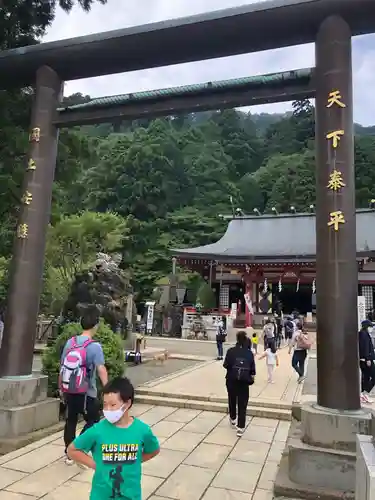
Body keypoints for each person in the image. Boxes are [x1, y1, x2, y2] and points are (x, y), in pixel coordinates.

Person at [67, 377, 160, 500]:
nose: (108, 409)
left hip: (131, 495)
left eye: (113, 405)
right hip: (101, 495)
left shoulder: (142, 430)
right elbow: (72, 450)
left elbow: (154, 450)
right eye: (105, 405)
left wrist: (134, 460)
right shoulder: (98, 430)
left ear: (127, 403)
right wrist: (95, 464)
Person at [60, 305, 108, 465]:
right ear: (95, 326)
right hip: (87, 392)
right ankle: (76, 448)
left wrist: (62, 387)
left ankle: (69, 451)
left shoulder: (70, 342)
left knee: (71, 420)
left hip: (69, 389)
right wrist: (107, 389)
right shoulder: (94, 346)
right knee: (93, 420)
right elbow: (101, 369)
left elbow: (62, 366)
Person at [223, 330, 256, 437]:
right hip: (244, 382)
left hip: (231, 380)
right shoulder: (249, 353)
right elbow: (252, 371)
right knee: (242, 403)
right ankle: (240, 427)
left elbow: (226, 365)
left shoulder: (230, 351)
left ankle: (233, 418)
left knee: (232, 399)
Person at [359, 319, 375, 404]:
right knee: (372, 376)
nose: (371, 328)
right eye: (370, 327)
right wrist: (367, 359)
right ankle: (365, 393)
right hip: (367, 360)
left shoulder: (364, 334)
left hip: (365, 359)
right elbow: (364, 347)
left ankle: (362, 394)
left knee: (366, 377)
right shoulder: (363, 335)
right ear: (366, 327)